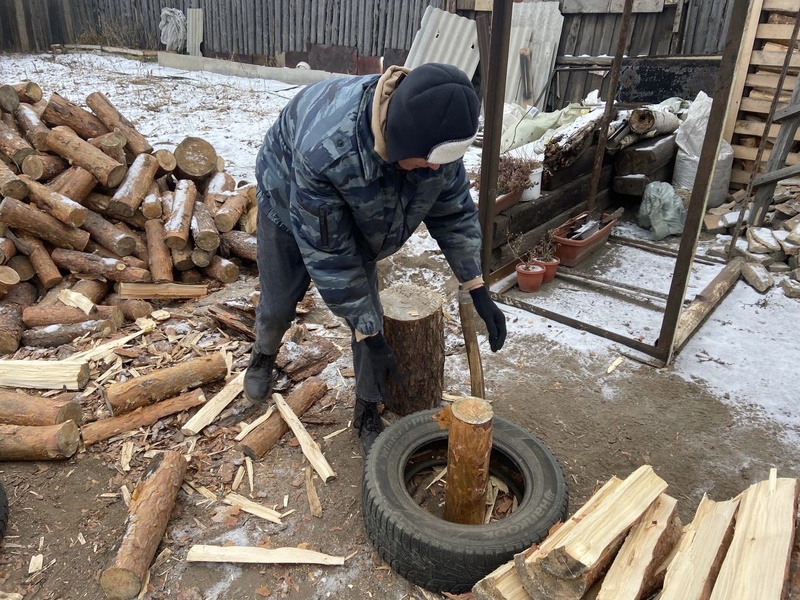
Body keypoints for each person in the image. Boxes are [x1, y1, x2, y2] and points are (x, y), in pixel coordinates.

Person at [245, 62, 507, 453]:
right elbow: (333, 256)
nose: (437, 168)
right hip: (287, 196)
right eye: (429, 161)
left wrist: (477, 286)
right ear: (401, 140)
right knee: (281, 302)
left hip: (350, 199)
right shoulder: (327, 152)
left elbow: (454, 213)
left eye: (442, 161)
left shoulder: (434, 142)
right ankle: (263, 355)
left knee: (369, 317)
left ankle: (367, 407)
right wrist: (371, 335)